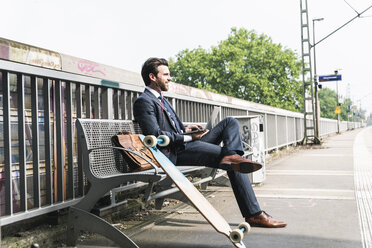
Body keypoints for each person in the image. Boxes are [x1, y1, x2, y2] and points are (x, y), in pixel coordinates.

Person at [133, 57, 286, 228]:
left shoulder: (162, 99)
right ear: (153, 77)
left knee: (230, 122)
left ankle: (231, 156)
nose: (170, 78)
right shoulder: (144, 101)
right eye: (166, 74)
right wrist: (190, 138)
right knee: (234, 163)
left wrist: (187, 130)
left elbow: (171, 130)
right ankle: (254, 214)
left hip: (184, 144)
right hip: (173, 153)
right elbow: (156, 135)